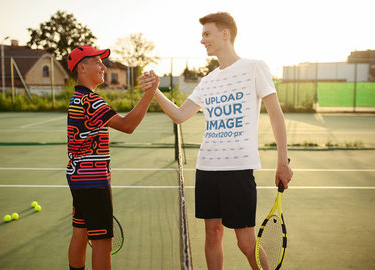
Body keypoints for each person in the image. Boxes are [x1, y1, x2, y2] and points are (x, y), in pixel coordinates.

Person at [139, 12, 293, 270]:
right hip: (207, 168)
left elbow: (276, 114)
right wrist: (155, 91)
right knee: (213, 234)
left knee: (245, 242)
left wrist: (282, 161)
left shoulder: (255, 67)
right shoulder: (207, 81)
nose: (203, 40)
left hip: (237, 169)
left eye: (207, 34)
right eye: (202, 35)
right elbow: (179, 115)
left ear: (226, 34)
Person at [66, 45, 158, 270]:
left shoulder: (77, 98)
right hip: (93, 181)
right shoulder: (91, 101)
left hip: (78, 177)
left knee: (81, 231)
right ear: (82, 67)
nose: (103, 67)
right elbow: (128, 126)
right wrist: (150, 93)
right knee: (103, 242)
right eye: (97, 62)